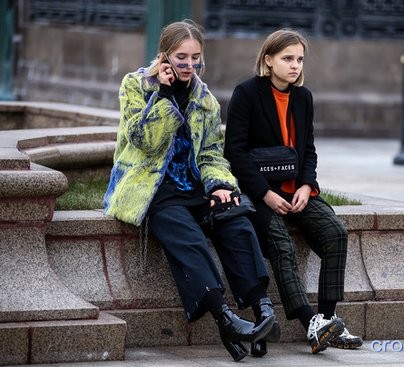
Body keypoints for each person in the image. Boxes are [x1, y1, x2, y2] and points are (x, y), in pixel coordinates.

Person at [103, 19, 280, 362]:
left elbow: (212, 153)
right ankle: (224, 318)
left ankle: (262, 312)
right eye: (180, 57)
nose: (188, 65)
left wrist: (220, 185)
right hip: (150, 186)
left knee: (237, 222)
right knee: (188, 237)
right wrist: (163, 95)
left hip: (195, 187)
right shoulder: (135, 85)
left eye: (195, 57)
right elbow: (144, 142)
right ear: (164, 56)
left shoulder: (205, 99)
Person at [224, 29, 364, 355]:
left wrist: (305, 185)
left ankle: (328, 321)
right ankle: (309, 322)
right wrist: (264, 194)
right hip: (260, 194)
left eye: (299, 59)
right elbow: (236, 151)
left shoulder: (304, 98)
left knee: (335, 233)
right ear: (268, 60)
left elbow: (309, 150)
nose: (295, 65)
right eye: (287, 58)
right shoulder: (246, 93)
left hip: (296, 192)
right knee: (282, 245)